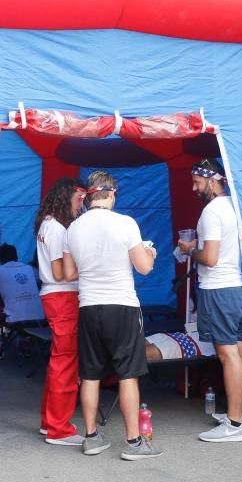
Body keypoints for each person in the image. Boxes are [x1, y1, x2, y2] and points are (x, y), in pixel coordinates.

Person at [63, 170, 163, 460]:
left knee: (90, 375)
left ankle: (91, 437)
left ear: (91, 194)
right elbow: (143, 267)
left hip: (89, 306)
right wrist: (151, 254)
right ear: (111, 194)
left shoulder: (74, 227)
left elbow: (70, 273)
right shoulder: (126, 223)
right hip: (121, 305)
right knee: (128, 374)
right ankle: (133, 443)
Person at [178, 158, 242, 442]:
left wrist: (190, 250)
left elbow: (210, 258)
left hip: (218, 289)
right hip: (236, 287)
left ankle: (234, 425)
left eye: (197, 182)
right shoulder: (234, 205)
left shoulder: (210, 212)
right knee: (240, 348)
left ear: (212, 180)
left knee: (227, 354)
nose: (194, 187)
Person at [35, 178, 86, 447]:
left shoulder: (48, 224)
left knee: (59, 360)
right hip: (62, 296)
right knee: (66, 362)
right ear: (67, 197)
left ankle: (49, 421)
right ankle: (59, 428)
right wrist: (89, 266)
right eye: (79, 199)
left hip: (55, 296)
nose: (82, 204)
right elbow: (59, 274)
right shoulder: (56, 228)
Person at [0, 244, 45, 358]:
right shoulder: (28, 269)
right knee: (23, 308)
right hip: (39, 317)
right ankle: (24, 348)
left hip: (14, 319)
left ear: (1, 259)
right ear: (16, 257)